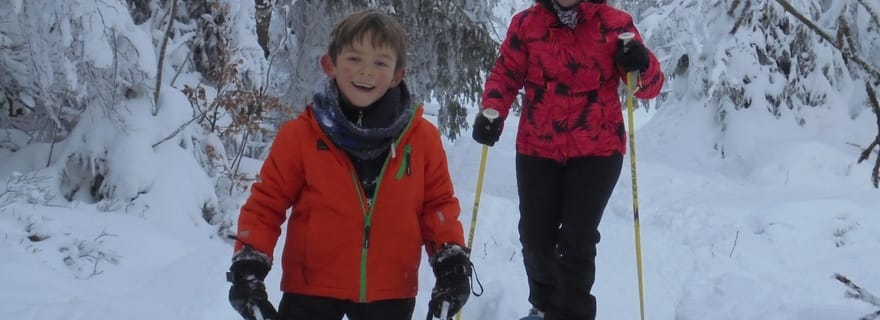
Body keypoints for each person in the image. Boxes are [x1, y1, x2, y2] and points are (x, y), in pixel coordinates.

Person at [226, 9, 473, 320]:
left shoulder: (421, 139)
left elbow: (437, 205)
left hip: (390, 289)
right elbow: (266, 203)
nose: (366, 72)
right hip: (310, 287)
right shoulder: (301, 135)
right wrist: (249, 267)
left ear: (398, 74)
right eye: (354, 58)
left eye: (380, 62)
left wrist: (450, 264)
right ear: (330, 64)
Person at [471, 1, 664, 319]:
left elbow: (648, 88)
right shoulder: (526, 24)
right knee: (535, 237)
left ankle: (571, 314)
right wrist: (492, 110)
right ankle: (544, 307)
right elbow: (505, 75)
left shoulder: (615, 24)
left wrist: (641, 65)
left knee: (577, 240)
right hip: (537, 148)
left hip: (597, 150)